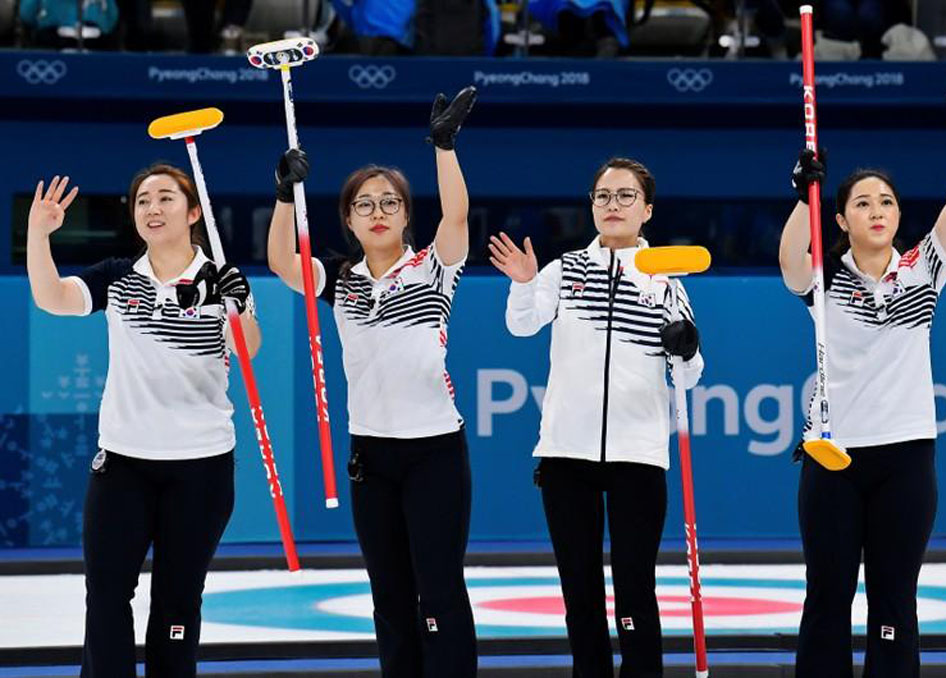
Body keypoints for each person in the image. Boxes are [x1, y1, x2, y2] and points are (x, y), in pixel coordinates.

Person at [779, 84, 946, 678]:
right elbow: (790, 261)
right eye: (864, 203)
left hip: (906, 458)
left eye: (888, 202)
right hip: (833, 458)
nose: (878, 210)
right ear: (843, 218)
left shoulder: (922, 269)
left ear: (899, 215)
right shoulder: (823, 281)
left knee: (894, 602)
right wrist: (804, 199)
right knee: (827, 599)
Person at [266, 87, 478, 677]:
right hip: (371, 456)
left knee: (438, 589)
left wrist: (443, 146)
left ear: (408, 215)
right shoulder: (339, 279)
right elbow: (283, 262)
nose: (378, 211)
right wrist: (285, 195)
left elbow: (456, 214)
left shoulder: (436, 267)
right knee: (389, 595)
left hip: (435, 451)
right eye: (365, 204)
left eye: (389, 202)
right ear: (349, 219)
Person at [26, 165, 258, 678]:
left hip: (201, 468)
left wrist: (236, 306)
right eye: (142, 201)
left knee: (178, 603)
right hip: (124, 466)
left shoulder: (220, 280)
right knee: (106, 598)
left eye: (166, 198)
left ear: (194, 212)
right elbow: (52, 299)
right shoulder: (117, 276)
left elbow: (250, 351)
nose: (152, 208)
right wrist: (38, 235)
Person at [489, 157, 704, 678]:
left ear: (646, 209)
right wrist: (522, 282)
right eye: (603, 196)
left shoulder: (667, 280)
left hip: (638, 455)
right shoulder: (564, 270)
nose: (613, 205)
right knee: (578, 589)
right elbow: (521, 326)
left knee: (635, 588)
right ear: (591, 207)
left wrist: (686, 346)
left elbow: (690, 376)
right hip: (566, 455)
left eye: (626, 196)